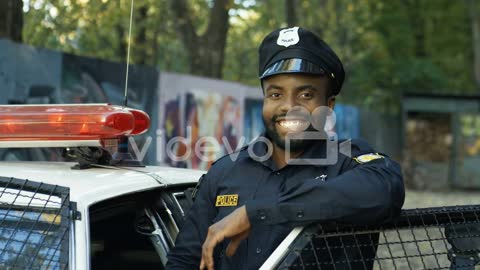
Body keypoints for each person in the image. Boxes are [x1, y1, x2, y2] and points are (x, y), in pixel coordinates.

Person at [166, 26, 405, 270]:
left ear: (328, 104)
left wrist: (257, 212)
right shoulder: (225, 171)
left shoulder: (348, 161)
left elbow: (386, 191)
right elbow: (184, 261)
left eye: (306, 95)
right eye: (276, 94)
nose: (289, 106)